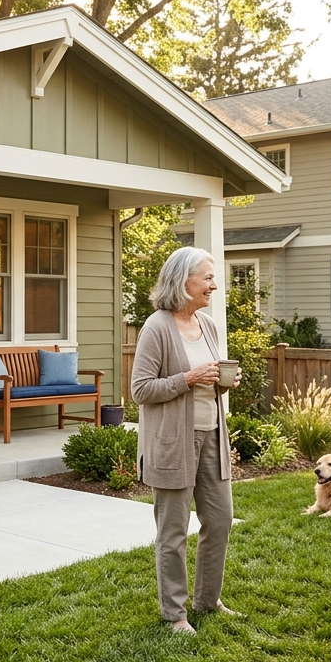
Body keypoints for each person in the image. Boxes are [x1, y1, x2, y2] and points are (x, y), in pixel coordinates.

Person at [131, 247, 243, 634]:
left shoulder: (208, 325)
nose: (214, 284)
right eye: (208, 277)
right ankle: (175, 613)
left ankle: (208, 600)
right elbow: (141, 390)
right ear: (183, 281)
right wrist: (189, 379)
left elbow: (208, 378)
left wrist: (222, 382)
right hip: (172, 442)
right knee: (174, 531)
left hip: (212, 434)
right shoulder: (157, 327)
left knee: (220, 520)